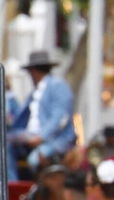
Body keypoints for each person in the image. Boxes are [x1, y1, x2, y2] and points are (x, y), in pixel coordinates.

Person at [7, 50, 77, 179]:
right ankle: (12, 185)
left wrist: (41, 137)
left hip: (56, 140)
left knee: (34, 160)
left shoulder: (58, 85)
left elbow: (61, 118)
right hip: (33, 136)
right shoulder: (37, 91)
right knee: (5, 144)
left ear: (34, 71)